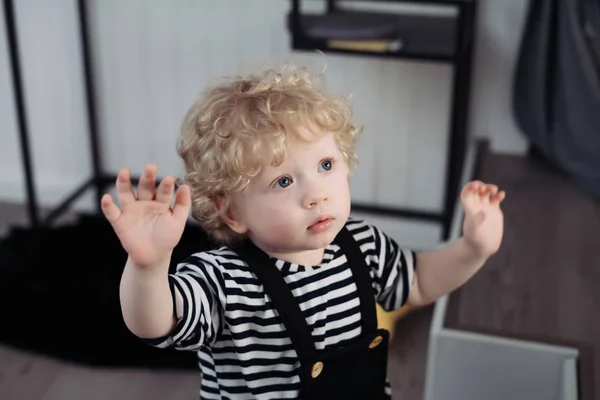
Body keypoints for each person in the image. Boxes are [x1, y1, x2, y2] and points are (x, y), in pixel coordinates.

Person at [100, 64, 505, 399]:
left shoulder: (363, 245)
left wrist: (473, 247)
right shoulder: (222, 279)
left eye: (325, 165)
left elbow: (417, 282)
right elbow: (156, 323)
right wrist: (148, 268)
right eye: (282, 182)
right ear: (232, 212)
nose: (315, 194)